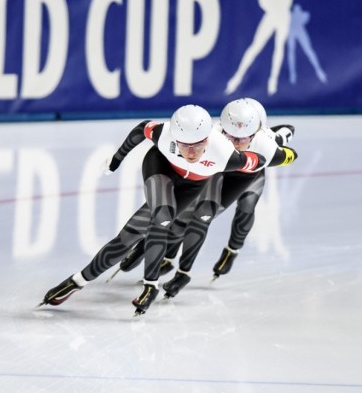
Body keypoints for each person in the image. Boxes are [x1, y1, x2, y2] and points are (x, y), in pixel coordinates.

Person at [38, 104, 267, 316]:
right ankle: (150, 285)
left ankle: (76, 280)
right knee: (163, 217)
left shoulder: (225, 153)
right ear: (174, 138)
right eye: (183, 144)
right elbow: (140, 130)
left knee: (128, 236)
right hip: (160, 167)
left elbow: (264, 159)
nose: (190, 152)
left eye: (197, 145)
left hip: (191, 186)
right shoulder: (163, 133)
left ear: (208, 140)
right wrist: (116, 160)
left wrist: (285, 155)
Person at [112, 98, 297, 299]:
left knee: (244, 206)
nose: (235, 143)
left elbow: (289, 131)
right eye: (230, 136)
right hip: (221, 170)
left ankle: (226, 252)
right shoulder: (214, 132)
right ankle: (162, 251)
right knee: (190, 211)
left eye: (243, 138)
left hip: (248, 176)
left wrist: (281, 147)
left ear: (257, 131)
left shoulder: (268, 143)